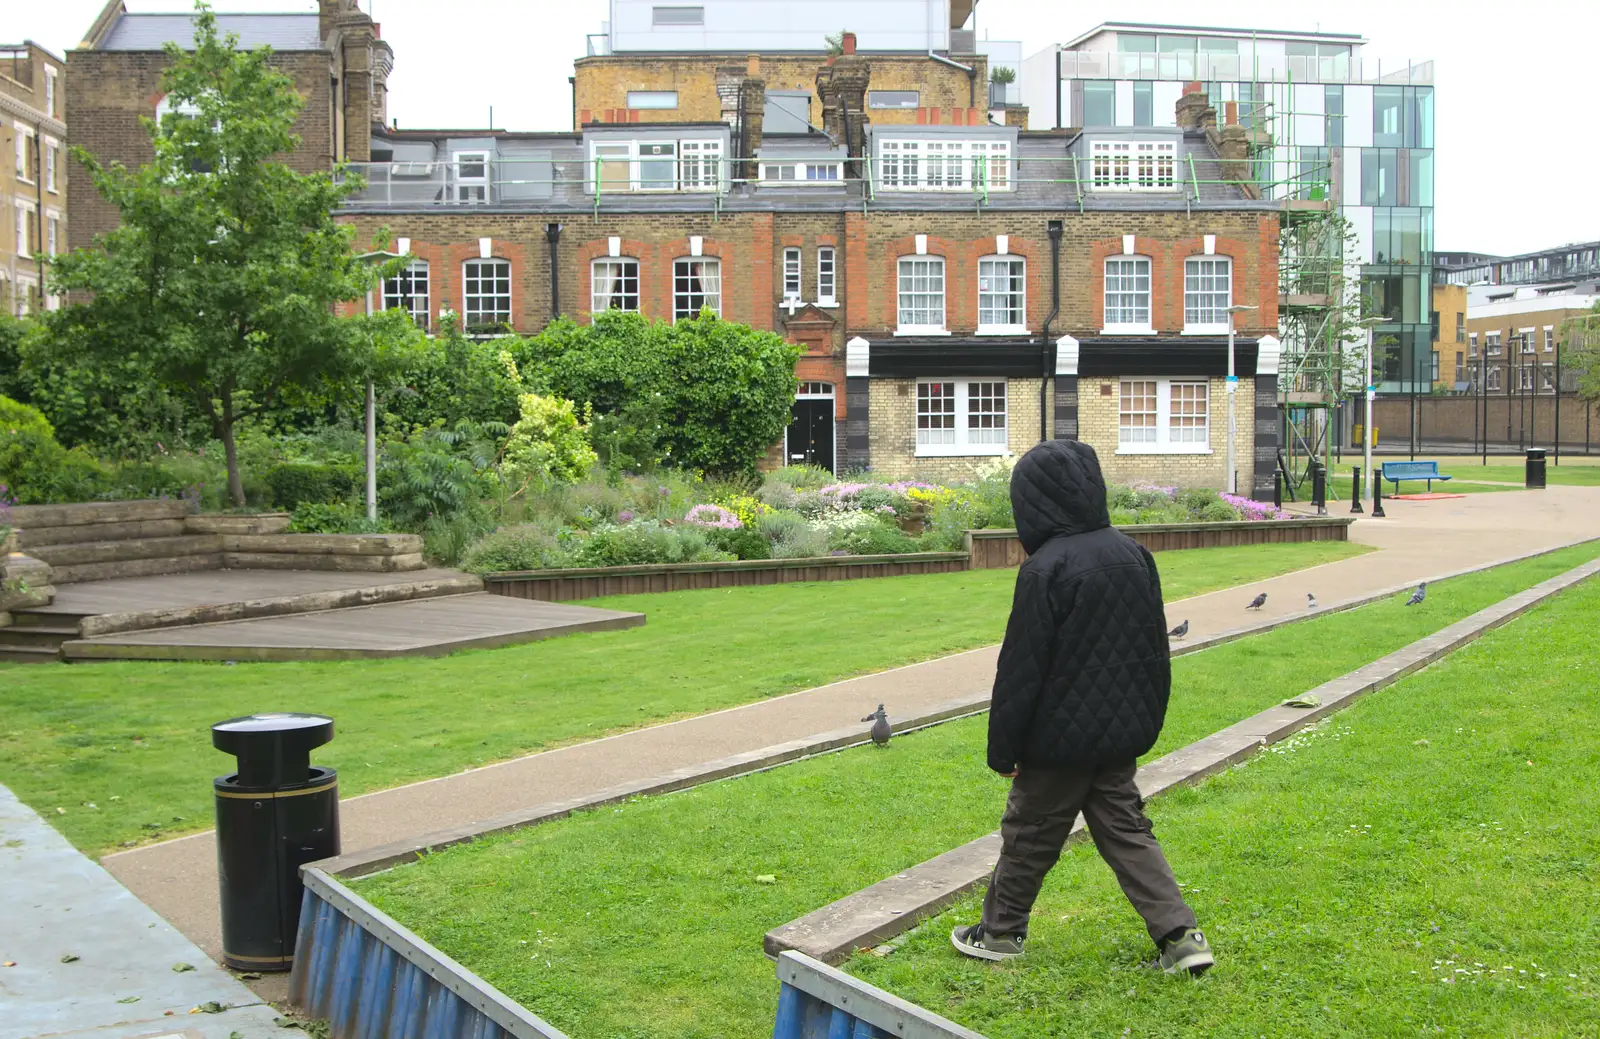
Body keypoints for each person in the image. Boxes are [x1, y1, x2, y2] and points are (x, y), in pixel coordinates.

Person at [950, 440, 1212, 975]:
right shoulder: (1135, 554)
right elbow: (1153, 653)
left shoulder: (1046, 568)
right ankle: (1181, 936)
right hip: (1117, 736)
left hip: (1056, 743)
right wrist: (1142, 723)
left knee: (1029, 831)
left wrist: (1005, 750)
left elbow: (1021, 671)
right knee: (1126, 828)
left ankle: (999, 933)